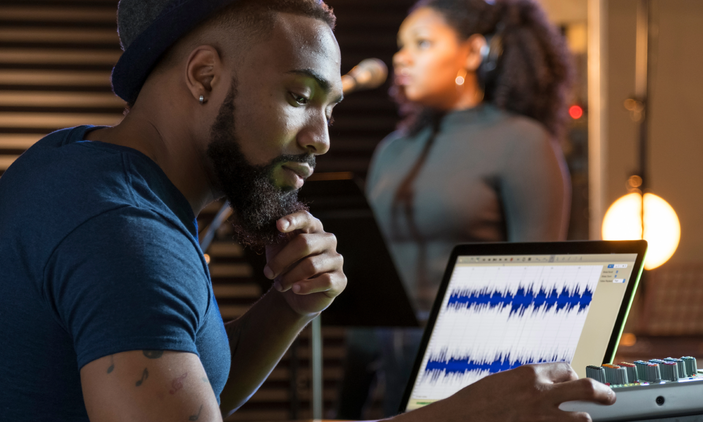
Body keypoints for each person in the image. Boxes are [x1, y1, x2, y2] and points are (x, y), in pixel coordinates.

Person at [0, 0, 612, 421]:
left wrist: (289, 305)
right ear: (204, 76)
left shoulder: (80, 163)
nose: (321, 138)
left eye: (332, 108)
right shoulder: (123, 232)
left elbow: (185, 389)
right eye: (299, 96)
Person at [338, 0, 575, 417]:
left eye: (422, 43)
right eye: (401, 44)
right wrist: (348, 405)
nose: (401, 57)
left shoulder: (523, 143)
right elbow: (372, 290)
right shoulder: (392, 151)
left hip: (476, 381)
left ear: (473, 51)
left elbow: (539, 291)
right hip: (395, 383)